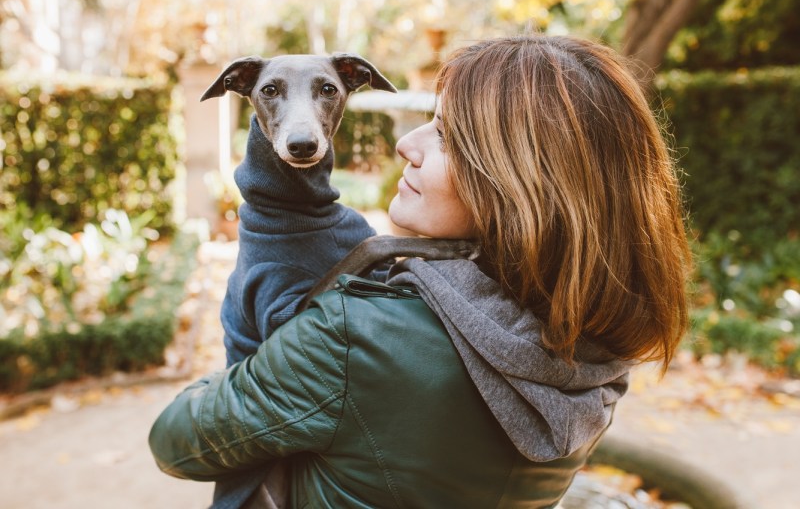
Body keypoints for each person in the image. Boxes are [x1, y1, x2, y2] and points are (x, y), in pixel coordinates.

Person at [149, 35, 691, 508]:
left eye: (447, 136)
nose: (406, 144)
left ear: (523, 186)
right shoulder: (599, 346)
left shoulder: (352, 337)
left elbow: (175, 442)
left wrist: (232, 358)